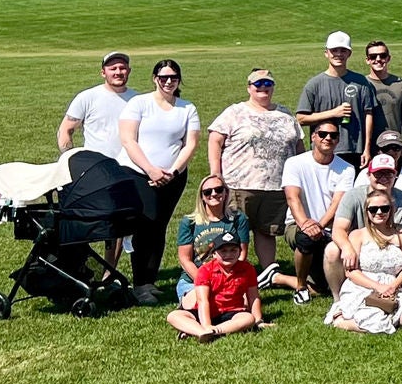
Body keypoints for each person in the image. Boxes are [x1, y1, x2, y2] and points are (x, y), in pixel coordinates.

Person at [117, 59, 202, 304]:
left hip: (173, 177)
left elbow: (191, 143)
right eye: (163, 77)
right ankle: (140, 283)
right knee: (144, 223)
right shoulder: (139, 103)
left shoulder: (187, 108)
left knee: (159, 226)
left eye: (173, 78)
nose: (168, 82)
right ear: (155, 78)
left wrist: (172, 172)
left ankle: (149, 281)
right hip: (137, 172)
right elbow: (128, 140)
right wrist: (151, 170)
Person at [205, 69, 301, 280]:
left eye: (268, 83)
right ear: (249, 87)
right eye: (258, 84)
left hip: (276, 186)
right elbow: (215, 139)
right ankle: (233, 273)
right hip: (240, 184)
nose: (263, 87)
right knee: (236, 231)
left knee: (266, 232)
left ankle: (268, 273)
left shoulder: (285, 114)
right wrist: (215, 172)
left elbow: (299, 145)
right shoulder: (235, 112)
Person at [323, 189, 402, 334]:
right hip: (363, 286)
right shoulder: (358, 235)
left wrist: (393, 286)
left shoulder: (401, 232)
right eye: (374, 209)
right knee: (375, 321)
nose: (379, 212)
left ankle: (372, 322)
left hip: (392, 285)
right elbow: (351, 272)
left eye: (385, 208)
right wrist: (378, 287)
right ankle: (344, 322)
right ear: (367, 211)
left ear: (391, 210)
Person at [282, 119, 357, 304]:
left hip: (330, 227)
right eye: (323, 134)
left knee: (321, 287)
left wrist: (320, 226)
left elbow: (337, 203)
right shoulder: (294, 163)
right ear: (314, 137)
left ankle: (277, 277)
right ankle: (300, 287)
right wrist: (306, 225)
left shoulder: (346, 168)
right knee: (305, 239)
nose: (328, 138)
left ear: (338, 140)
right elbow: (293, 198)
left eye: (333, 135)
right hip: (298, 224)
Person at [327, 148, 402, 295]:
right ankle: (338, 298)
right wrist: (347, 248)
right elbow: (338, 230)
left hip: (390, 247)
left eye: (388, 173)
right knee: (332, 250)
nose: (383, 177)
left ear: (396, 175)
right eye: (378, 173)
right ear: (368, 175)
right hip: (357, 246)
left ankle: (392, 292)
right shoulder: (353, 196)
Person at [173, 175, 256, 305]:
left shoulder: (239, 219)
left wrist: (226, 282)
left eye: (218, 189)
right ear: (201, 196)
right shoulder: (189, 222)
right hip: (193, 280)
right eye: (207, 192)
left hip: (230, 278)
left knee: (244, 306)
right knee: (199, 304)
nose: (214, 194)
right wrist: (205, 281)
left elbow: (242, 254)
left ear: (226, 192)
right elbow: (185, 260)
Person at [295, 31, 376, 163]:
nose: (338, 54)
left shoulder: (361, 82)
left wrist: (367, 149)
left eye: (343, 50)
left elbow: (369, 115)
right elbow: (300, 119)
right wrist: (333, 113)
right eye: (334, 50)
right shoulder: (314, 84)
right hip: (322, 150)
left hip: (355, 151)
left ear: (349, 53)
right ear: (326, 53)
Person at [166, 232, 262, 342]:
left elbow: (253, 296)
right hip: (205, 312)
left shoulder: (247, 269)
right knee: (173, 316)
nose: (228, 255)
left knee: (248, 318)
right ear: (214, 254)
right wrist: (207, 324)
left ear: (240, 252)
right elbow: (203, 301)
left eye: (233, 250)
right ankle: (202, 332)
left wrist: (258, 320)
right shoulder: (205, 270)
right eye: (223, 251)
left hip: (232, 312)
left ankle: (214, 331)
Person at [62, 51, 134, 159]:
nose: (118, 72)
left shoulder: (137, 100)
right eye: (113, 68)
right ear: (103, 73)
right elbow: (65, 130)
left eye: (122, 68)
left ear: (129, 71)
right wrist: (71, 160)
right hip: (96, 165)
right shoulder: (87, 97)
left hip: (130, 166)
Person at [361, 40, 402, 147]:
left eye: (382, 55)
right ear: (367, 60)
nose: (378, 59)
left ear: (388, 58)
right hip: (367, 146)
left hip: (394, 144)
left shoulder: (401, 84)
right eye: (373, 56)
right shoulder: (361, 84)